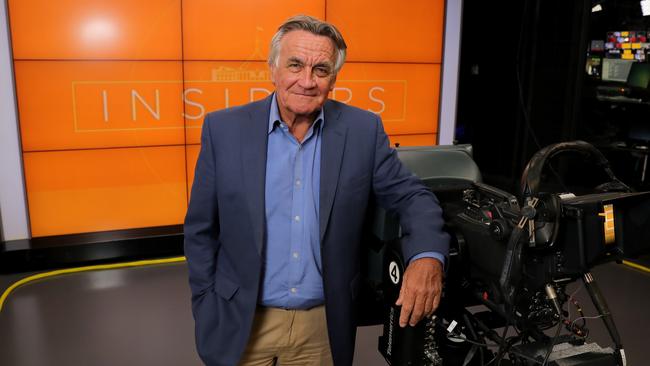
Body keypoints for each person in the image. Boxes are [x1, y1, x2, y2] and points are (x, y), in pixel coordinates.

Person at [184, 14, 449, 366]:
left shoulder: (362, 130)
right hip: (242, 322)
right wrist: (205, 301)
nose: (306, 81)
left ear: (333, 78)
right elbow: (200, 229)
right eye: (295, 65)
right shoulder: (223, 129)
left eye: (320, 70)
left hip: (322, 328)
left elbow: (412, 196)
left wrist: (427, 256)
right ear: (273, 68)